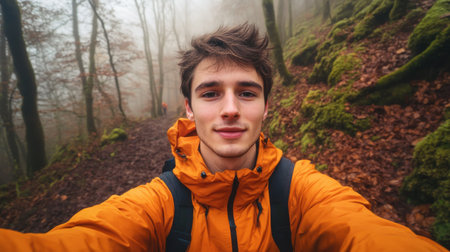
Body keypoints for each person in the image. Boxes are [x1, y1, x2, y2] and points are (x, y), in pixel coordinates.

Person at [0, 24, 447, 252]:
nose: (230, 108)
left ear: (266, 106)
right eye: (211, 93)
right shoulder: (156, 206)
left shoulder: (302, 192)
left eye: (246, 92)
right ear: (189, 109)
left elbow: (362, 232)